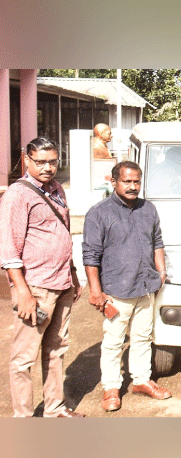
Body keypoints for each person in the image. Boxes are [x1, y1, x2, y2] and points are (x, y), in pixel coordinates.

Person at [0, 136, 84, 417]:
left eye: (53, 162)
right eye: (41, 162)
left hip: (62, 283)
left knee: (57, 349)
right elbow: (9, 247)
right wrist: (22, 291)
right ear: (27, 160)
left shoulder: (57, 188)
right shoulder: (17, 194)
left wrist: (72, 273)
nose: (48, 167)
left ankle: (54, 408)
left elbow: (64, 233)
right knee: (24, 358)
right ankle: (23, 418)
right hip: (35, 287)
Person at [82, 161, 172, 411]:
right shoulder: (99, 213)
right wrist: (96, 290)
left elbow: (157, 241)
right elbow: (90, 255)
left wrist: (161, 272)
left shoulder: (148, 209)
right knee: (113, 341)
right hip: (116, 289)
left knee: (143, 337)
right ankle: (111, 388)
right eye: (127, 181)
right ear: (113, 182)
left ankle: (141, 380)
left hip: (146, 287)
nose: (133, 186)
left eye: (137, 182)